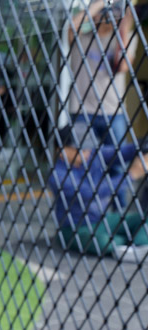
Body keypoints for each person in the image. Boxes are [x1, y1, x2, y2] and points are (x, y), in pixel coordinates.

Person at [68, 0, 136, 203]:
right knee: (83, 164)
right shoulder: (81, 39)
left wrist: (124, 25)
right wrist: (99, 4)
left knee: (117, 165)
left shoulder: (125, 38)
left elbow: (122, 66)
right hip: (81, 112)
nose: (107, 16)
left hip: (113, 112)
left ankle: (118, 212)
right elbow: (72, 25)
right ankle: (86, 210)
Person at [49, 123, 148, 262]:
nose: (87, 152)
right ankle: (131, 245)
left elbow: (121, 152)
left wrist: (143, 144)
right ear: (62, 151)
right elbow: (91, 193)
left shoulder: (92, 155)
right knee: (102, 241)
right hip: (75, 228)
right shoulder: (58, 175)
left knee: (142, 218)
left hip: (103, 220)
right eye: (81, 149)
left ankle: (139, 246)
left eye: (88, 148)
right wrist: (131, 175)